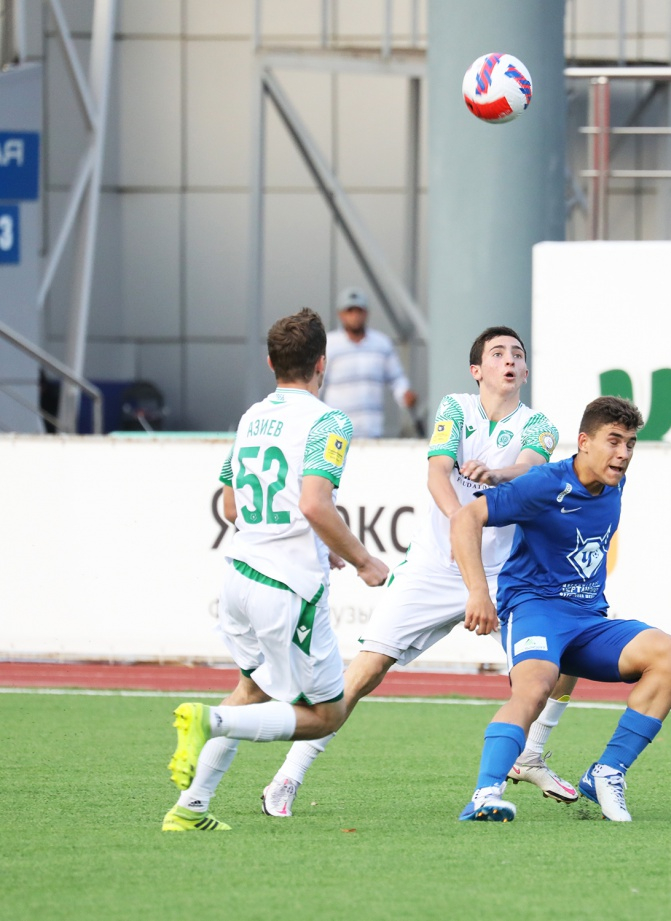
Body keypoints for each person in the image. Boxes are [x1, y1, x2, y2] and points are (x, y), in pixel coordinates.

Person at [260, 326, 582, 817]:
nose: (509, 360)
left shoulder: (538, 424)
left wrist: (498, 476)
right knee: (364, 671)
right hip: (434, 565)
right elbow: (436, 473)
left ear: (525, 370)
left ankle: (530, 754)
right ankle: (287, 776)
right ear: (477, 370)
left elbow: (530, 469)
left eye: (517, 354)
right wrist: (461, 526)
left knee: (564, 657)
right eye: (498, 353)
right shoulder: (456, 408)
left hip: (506, 574)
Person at [163, 308, 390, 831]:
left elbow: (230, 506)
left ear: (270, 362)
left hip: (239, 577)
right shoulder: (328, 420)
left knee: (253, 690)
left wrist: (313, 542)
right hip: (285, 588)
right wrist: (364, 561)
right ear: (322, 362)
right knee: (326, 715)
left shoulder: (251, 416)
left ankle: (190, 808)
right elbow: (314, 504)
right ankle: (209, 720)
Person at [452, 396, 671, 823]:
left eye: (630, 444)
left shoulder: (615, 482)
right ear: (584, 442)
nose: (623, 453)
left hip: (587, 620)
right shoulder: (546, 484)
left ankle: (607, 772)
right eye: (613, 441)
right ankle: (486, 794)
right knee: (535, 687)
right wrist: (478, 593)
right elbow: (465, 519)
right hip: (535, 609)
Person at [322, 286, 418, 438]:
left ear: (366, 313)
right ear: (340, 314)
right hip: (337, 432)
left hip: (371, 431)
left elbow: (396, 378)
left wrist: (404, 394)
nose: (355, 316)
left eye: (359, 311)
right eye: (350, 311)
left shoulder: (382, 343)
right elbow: (317, 383)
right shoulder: (329, 344)